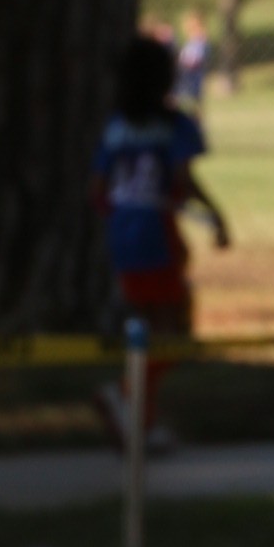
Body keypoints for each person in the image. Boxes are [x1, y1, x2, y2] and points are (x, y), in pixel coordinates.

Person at [92, 32, 229, 441]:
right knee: (174, 333)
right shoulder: (176, 125)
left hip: (123, 233)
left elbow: (96, 191)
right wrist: (216, 216)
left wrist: (120, 216)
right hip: (158, 231)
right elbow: (184, 181)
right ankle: (122, 393)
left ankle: (140, 420)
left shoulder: (114, 127)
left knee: (146, 328)